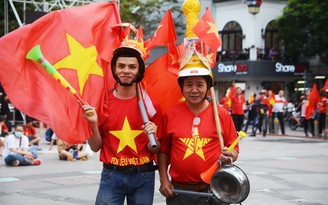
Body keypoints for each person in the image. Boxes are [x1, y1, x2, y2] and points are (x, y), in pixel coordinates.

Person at [82, 28, 163, 205]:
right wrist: (93, 124)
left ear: (140, 70)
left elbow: (155, 149)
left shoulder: (151, 106)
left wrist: (154, 136)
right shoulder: (102, 102)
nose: (126, 70)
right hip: (112, 175)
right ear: (114, 69)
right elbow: (95, 148)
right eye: (121, 66)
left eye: (132, 66)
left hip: (144, 175)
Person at [158, 46, 239, 204]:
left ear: (208, 88)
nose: (194, 90)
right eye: (189, 84)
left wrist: (230, 156)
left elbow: (234, 149)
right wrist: (163, 179)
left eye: (200, 85)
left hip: (215, 189)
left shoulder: (221, 114)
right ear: (182, 87)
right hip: (179, 192)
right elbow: (163, 151)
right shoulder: (170, 113)